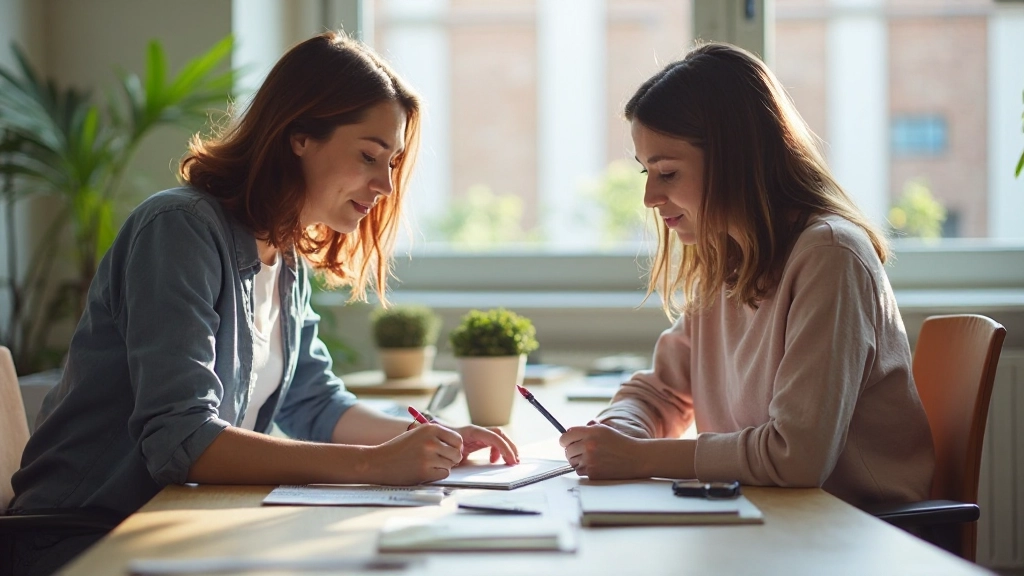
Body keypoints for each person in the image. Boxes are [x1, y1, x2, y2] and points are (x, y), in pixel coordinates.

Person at [8, 32, 518, 575]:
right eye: (369, 156)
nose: (385, 185)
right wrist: (375, 463)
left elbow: (314, 402)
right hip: (84, 540)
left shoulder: (286, 254)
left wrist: (429, 437)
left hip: (180, 525)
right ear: (299, 136)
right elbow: (180, 439)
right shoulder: (179, 229)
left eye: (391, 162)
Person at [559, 42, 934, 509]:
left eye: (668, 173)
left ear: (735, 159)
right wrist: (615, 434)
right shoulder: (728, 257)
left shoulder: (830, 256)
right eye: (646, 173)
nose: (650, 198)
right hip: (767, 513)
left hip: (848, 527)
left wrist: (639, 458)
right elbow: (662, 392)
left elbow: (795, 457)